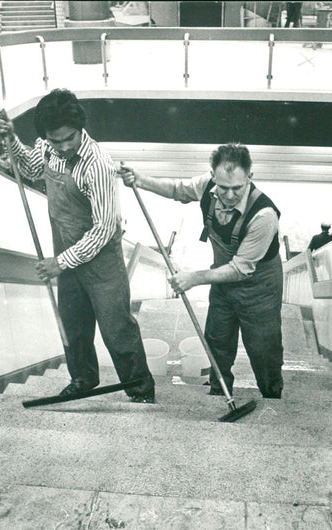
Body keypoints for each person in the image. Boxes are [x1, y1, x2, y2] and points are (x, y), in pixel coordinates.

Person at [0, 88, 155, 402]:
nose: (64, 146)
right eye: (56, 140)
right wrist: (11, 138)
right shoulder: (47, 148)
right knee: (73, 325)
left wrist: (60, 262)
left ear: (81, 128)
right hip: (67, 256)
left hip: (101, 264)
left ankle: (141, 390)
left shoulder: (98, 165)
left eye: (70, 138)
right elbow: (29, 169)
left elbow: (104, 229)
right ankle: (83, 378)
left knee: (116, 329)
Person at [119, 144, 284, 399]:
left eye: (237, 188)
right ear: (213, 176)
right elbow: (177, 189)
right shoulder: (207, 185)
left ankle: (272, 397)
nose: (229, 195)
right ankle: (219, 393)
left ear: (250, 177)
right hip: (223, 282)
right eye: (223, 187)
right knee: (217, 340)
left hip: (259, 289)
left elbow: (240, 269)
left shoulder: (264, 215)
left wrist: (193, 278)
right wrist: (140, 180)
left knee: (263, 350)